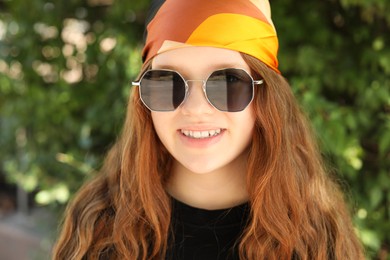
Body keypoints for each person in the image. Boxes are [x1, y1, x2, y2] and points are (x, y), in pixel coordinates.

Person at [53, 0, 365, 259]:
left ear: (266, 96)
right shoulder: (99, 226)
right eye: (167, 83)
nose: (195, 108)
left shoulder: (317, 238)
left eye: (228, 82)